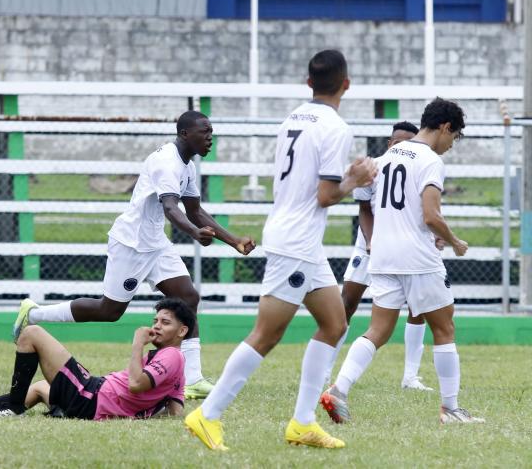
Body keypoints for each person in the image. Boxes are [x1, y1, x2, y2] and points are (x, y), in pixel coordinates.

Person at [184, 50, 377, 451]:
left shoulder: (292, 117)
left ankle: (303, 423)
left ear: (308, 82)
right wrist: (355, 178)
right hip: (297, 242)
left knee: (335, 324)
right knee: (266, 335)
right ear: (347, 84)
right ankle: (208, 414)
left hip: (299, 239)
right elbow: (326, 195)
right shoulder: (336, 127)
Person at [12, 110, 256, 400]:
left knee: (188, 298)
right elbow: (171, 209)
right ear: (184, 134)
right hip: (131, 244)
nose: (210, 138)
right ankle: (34, 313)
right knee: (109, 311)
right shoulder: (167, 163)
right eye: (205, 132)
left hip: (156, 244)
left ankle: (192, 379)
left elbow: (194, 210)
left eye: (211, 132)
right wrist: (194, 233)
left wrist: (234, 241)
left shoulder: (187, 165)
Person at [321, 98, 484, 425]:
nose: (451, 145)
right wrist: (454, 241)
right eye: (454, 137)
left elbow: (367, 203)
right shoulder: (430, 160)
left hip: (381, 254)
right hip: (418, 257)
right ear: (445, 127)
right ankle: (450, 409)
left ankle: (339, 389)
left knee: (378, 329)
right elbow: (430, 215)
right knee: (445, 327)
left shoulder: (386, 156)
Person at [321, 121, 433, 391]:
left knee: (418, 308)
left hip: (405, 246)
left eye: (407, 141)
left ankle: (410, 377)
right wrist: (372, 242)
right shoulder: (372, 168)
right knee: (346, 302)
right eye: (396, 141)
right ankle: (325, 372)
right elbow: (365, 210)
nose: (400, 146)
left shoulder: (421, 165)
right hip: (370, 244)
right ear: (389, 142)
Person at [0, 298, 193, 421]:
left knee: (32, 333)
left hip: (93, 397)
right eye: (156, 321)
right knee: (42, 387)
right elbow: (175, 410)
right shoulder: (177, 365)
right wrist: (141, 413)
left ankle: (12, 406)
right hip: (96, 397)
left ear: (182, 332)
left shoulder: (171, 356)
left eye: (166, 322)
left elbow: (136, 384)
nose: (157, 326)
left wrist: (137, 343)